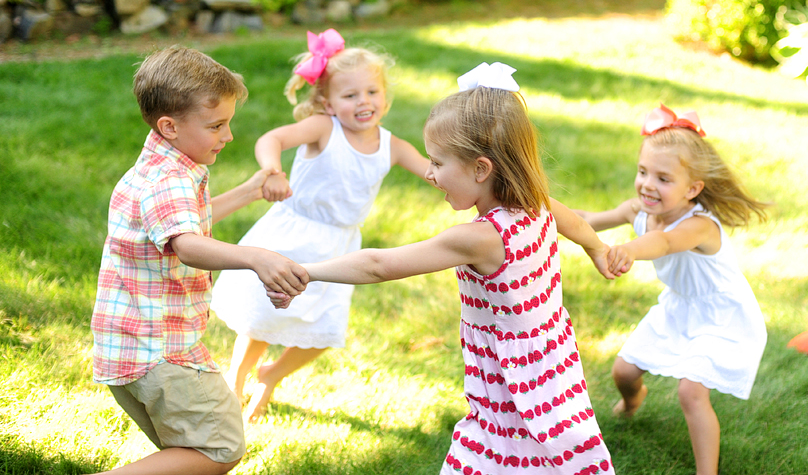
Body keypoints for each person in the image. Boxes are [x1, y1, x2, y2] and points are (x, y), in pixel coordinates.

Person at [281, 62, 622, 474]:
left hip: (512, 373)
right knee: (545, 448)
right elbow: (578, 226)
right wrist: (598, 249)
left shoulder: (479, 237)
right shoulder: (536, 202)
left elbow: (377, 265)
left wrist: (305, 271)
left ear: (481, 169)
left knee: (498, 449)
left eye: (438, 163)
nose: (428, 173)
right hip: (549, 360)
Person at [89, 46, 309, 475]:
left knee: (187, 454)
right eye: (216, 125)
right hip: (161, 352)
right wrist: (254, 258)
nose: (228, 136)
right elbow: (186, 243)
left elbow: (186, 220)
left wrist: (248, 191)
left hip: (133, 346)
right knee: (219, 449)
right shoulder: (170, 178)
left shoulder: (160, 165)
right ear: (169, 126)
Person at [210, 29, 431, 423]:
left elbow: (435, 173)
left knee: (326, 330)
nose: (363, 101)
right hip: (292, 235)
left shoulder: (392, 146)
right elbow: (271, 138)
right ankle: (237, 377)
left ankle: (271, 375)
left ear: (385, 97)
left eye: (372, 92)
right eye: (350, 95)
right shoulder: (324, 129)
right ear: (328, 103)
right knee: (265, 317)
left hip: (339, 250)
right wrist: (271, 171)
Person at [576, 104, 768, 475]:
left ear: (692, 188)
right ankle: (633, 404)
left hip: (721, 318)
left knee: (691, 391)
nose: (648, 184)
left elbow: (663, 243)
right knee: (624, 373)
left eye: (663, 179)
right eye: (643, 172)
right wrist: (539, 208)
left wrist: (629, 250)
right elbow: (589, 221)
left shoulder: (699, 226)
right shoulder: (638, 210)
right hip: (677, 308)